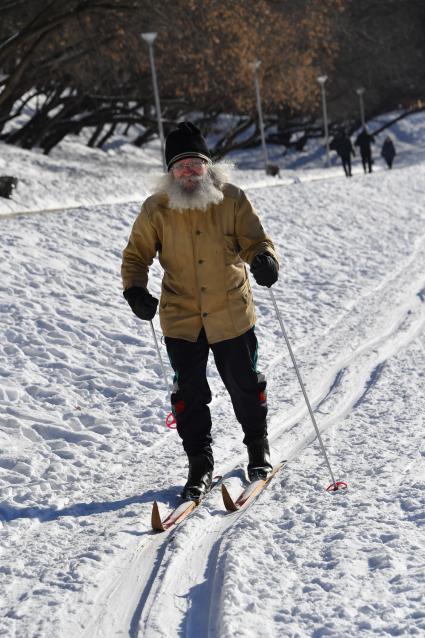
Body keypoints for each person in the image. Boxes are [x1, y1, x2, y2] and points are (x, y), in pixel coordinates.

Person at [121, 122, 279, 501]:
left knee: (245, 385)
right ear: (170, 172)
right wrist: (135, 290)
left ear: (208, 166)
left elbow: (256, 240)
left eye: (195, 164)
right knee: (188, 395)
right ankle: (199, 464)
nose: (189, 172)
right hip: (181, 316)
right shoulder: (156, 208)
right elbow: (136, 255)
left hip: (231, 312)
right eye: (180, 166)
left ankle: (258, 449)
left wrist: (263, 259)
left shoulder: (232, 199)